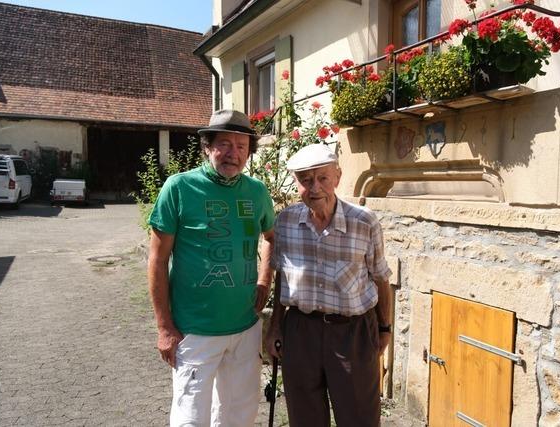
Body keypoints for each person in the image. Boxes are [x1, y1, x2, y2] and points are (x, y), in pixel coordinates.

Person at [148, 109, 275, 426]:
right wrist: (164, 327)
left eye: (242, 145)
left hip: (246, 327)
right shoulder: (179, 189)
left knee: (238, 414)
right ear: (207, 146)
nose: (234, 153)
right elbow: (158, 260)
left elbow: (271, 238)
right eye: (224, 144)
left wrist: (264, 282)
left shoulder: (257, 192)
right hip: (194, 329)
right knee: (190, 418)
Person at [265, 143, 393, 427]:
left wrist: (385, 328)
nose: (315, 188)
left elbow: (381, 277)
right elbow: (281, 275)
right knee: (304, 416)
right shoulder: (285, 221)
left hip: (353, 332)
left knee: (359, 416)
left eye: (322, 178)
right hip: (300, 331)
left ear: (337, 177)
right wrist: (276, 326)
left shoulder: (364, 221)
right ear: (296, 183)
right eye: (305, 180)